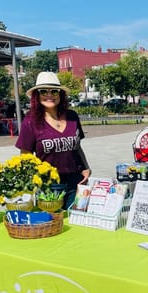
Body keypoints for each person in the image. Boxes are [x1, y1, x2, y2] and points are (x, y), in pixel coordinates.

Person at [16, 71, 91, 209]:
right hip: (49, 185)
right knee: (54, 223)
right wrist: (30, 184)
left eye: (54, 91)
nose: (49, 95)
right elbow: (25, 157)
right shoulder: (30, 121)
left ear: (60, 95)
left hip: (76, 181)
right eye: (43, 91)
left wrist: (86, 167)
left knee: (78, 221)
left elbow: (77, 147)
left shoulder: (72, 116)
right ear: (37, 95)